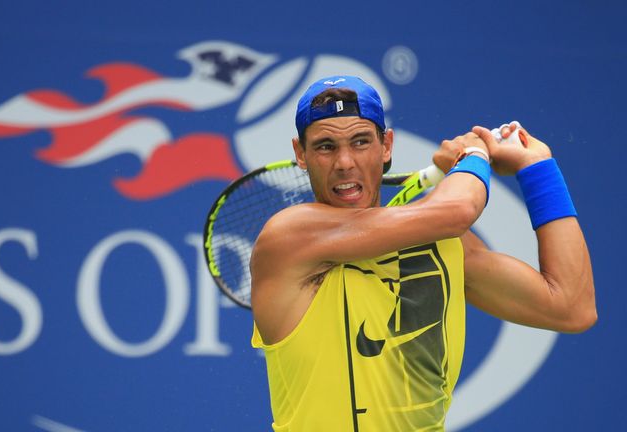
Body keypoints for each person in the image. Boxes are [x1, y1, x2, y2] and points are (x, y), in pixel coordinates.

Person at [249, 75, 596, 431]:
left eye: (360, 141)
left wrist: (537, 167)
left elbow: (571, 307)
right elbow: (459, 210)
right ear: (300, 154)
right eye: (325, 146)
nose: (344, 162)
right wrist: (475, 153)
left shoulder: (444, 244)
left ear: (386, 146)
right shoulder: (288, 237)